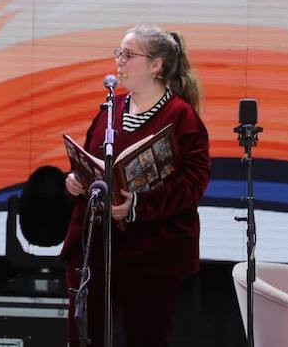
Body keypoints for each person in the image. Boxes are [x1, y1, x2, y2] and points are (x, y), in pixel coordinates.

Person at [60, 26, 210, 347]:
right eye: (118, 53)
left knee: (146, 337)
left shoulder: (181, 117)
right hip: (96, 247)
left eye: (128, 55)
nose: (119, 61)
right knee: (85, 336)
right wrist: (76, 181)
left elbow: (194, 182)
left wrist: (139, 205)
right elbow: (92, 161)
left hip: (152, 251)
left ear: (156, 65)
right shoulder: (109, 110)